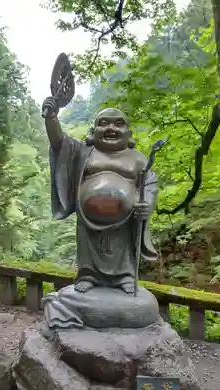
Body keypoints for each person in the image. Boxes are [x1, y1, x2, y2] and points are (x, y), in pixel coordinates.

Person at [42, 96, 158, 295]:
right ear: (92, 131)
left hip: (125, 219)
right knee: (88, 250)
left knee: (123, 248)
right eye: (103, 124)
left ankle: (125, 276)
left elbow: (150, 183)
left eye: (118, 124)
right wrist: (51, 118)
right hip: (88, 220)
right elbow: (59, 143)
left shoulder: (137, 158)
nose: (110, 128)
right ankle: (88, 275)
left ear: (129, 134)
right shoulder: (83, 152)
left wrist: (147, 202)